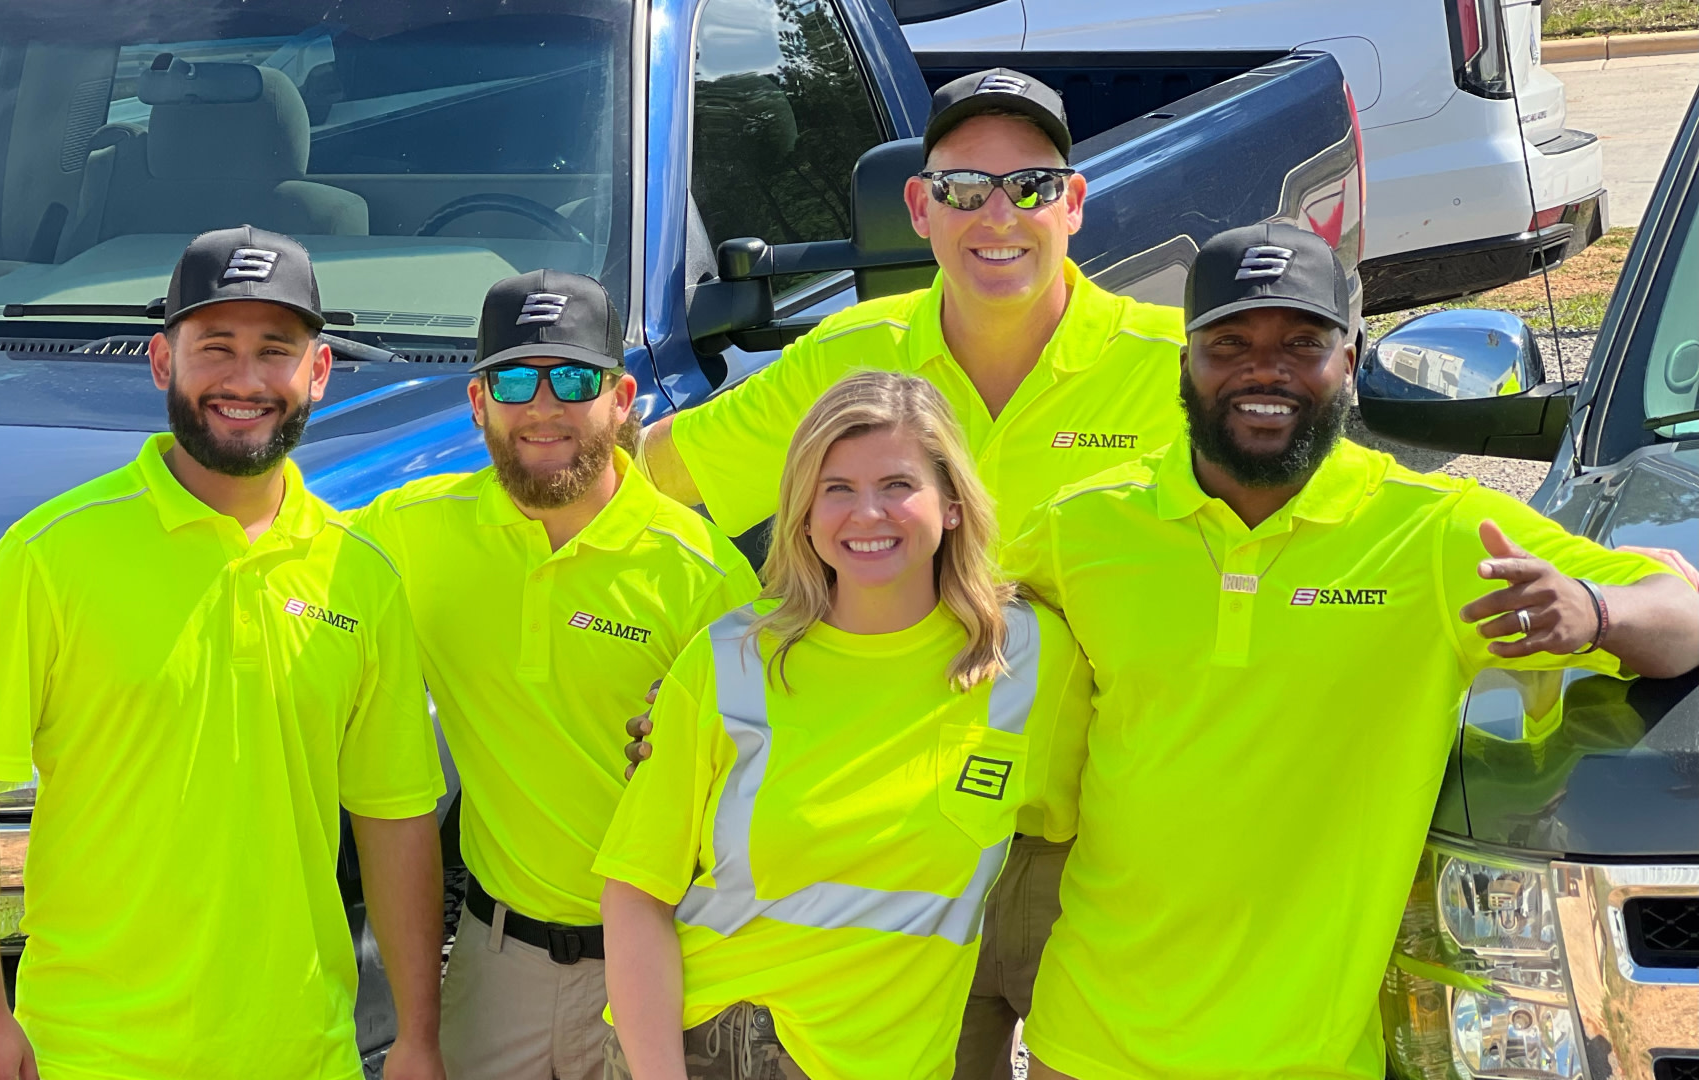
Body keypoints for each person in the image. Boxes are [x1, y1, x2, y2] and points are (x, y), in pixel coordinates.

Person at [1001, 223, 1699, 1080]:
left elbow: (1681, 612)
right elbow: (927, 617)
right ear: (1185, 361)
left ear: (1351, 357)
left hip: (1306, 1059)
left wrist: (1595, 611)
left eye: (1303, 342)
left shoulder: (1438, 533)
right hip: (1086, 1042)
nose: (1267, 370)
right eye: (1231, 343)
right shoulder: (1084, 527)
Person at [634, 69, 1190, 1075]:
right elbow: (649, 486)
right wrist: (696, 672)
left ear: (1073, 199)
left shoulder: (1173, 368)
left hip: (1102, 828)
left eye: (1029, 186)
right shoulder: (851, 363)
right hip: (899, 838)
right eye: (964, 188)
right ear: (919, 207)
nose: (997, 217)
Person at [0, 226, 448, 1080]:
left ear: (318, 371)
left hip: (304, 1054)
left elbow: (396, 820)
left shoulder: (363, 575)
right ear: (163, 362)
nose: (244, 379)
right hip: (90, 1053)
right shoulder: (49, 552)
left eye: (276, 350)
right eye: (216, 347)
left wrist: (417, 1036)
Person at [597, 371, 1096, 1080]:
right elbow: (635, 890)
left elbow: (1098, 823)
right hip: (723, 1048)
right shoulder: (732, 659)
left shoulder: (1030, 660)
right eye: (836, 490)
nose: (868, 514)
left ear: (952, 504)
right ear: (802, 513)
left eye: (898, 485)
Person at [350, 270, 760, 1080]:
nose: (543, 406)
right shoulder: (410, 532)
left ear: (622, 399)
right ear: (477, 402)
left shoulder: (702, 573)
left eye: (573, 378)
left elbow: (764, 777)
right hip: (497, 961)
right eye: (514, 379)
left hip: (671, 954)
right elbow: (273, 564)